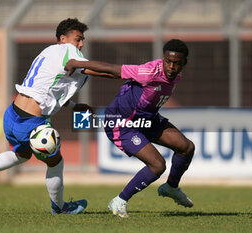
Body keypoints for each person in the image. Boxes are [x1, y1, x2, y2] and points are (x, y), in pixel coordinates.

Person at [0, 18, 109, 215]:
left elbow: (50, 89)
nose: (81, 44)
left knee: (21, 155)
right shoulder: (68, 50)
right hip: (32, 122)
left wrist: (74, 105)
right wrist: (128, 72)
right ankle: (60, 208)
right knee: (56, 162)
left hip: (12, 114)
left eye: (83, 40)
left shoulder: (48, 52)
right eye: (78, 39)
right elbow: (98, 70)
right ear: (63, 38)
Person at [65, 39, 195, 218]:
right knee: (157, 165)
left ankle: (171, 187)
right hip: (122, 123)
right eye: (168, 61)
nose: (171, 67)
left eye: (176, 63)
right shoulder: (149, 72)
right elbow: (112, 69)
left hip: (148, 118)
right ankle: (119, 201)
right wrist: (77, 64)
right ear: (163, 59)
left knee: (187, 147)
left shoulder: (175, 76)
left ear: (184, 64)